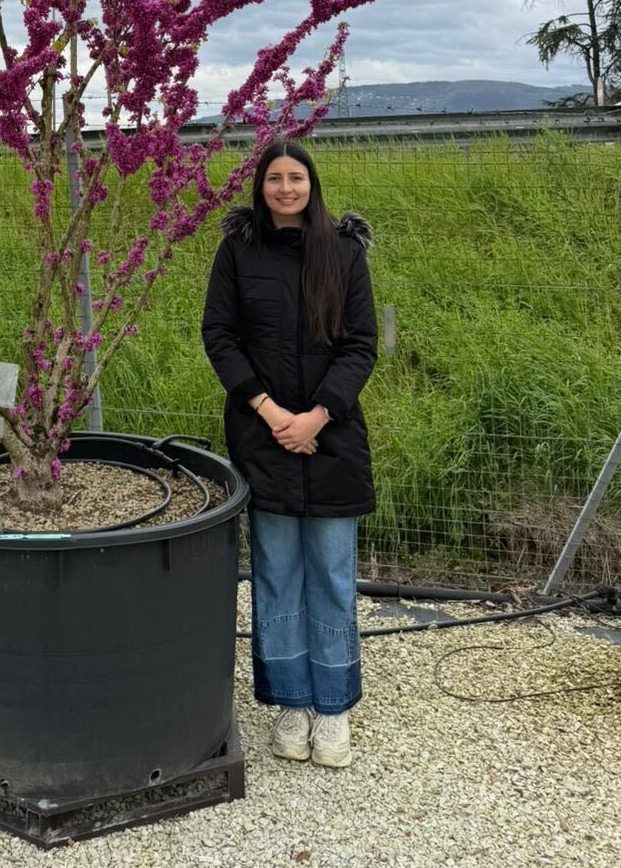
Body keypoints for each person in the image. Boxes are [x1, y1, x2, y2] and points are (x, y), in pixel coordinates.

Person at [201, 138, 377, 769]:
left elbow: (361, 345)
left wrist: (318, 416)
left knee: (331, 572)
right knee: (276, 573)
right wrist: (272, 413)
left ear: (311, 184)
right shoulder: (238, 252)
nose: (284, 188)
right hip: (264, 437)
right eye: (274, 178)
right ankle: (291, 702)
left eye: (295, 177)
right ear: (261, 187)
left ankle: (333, 710)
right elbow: (219, 337)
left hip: (331, 438)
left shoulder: (344, 253)